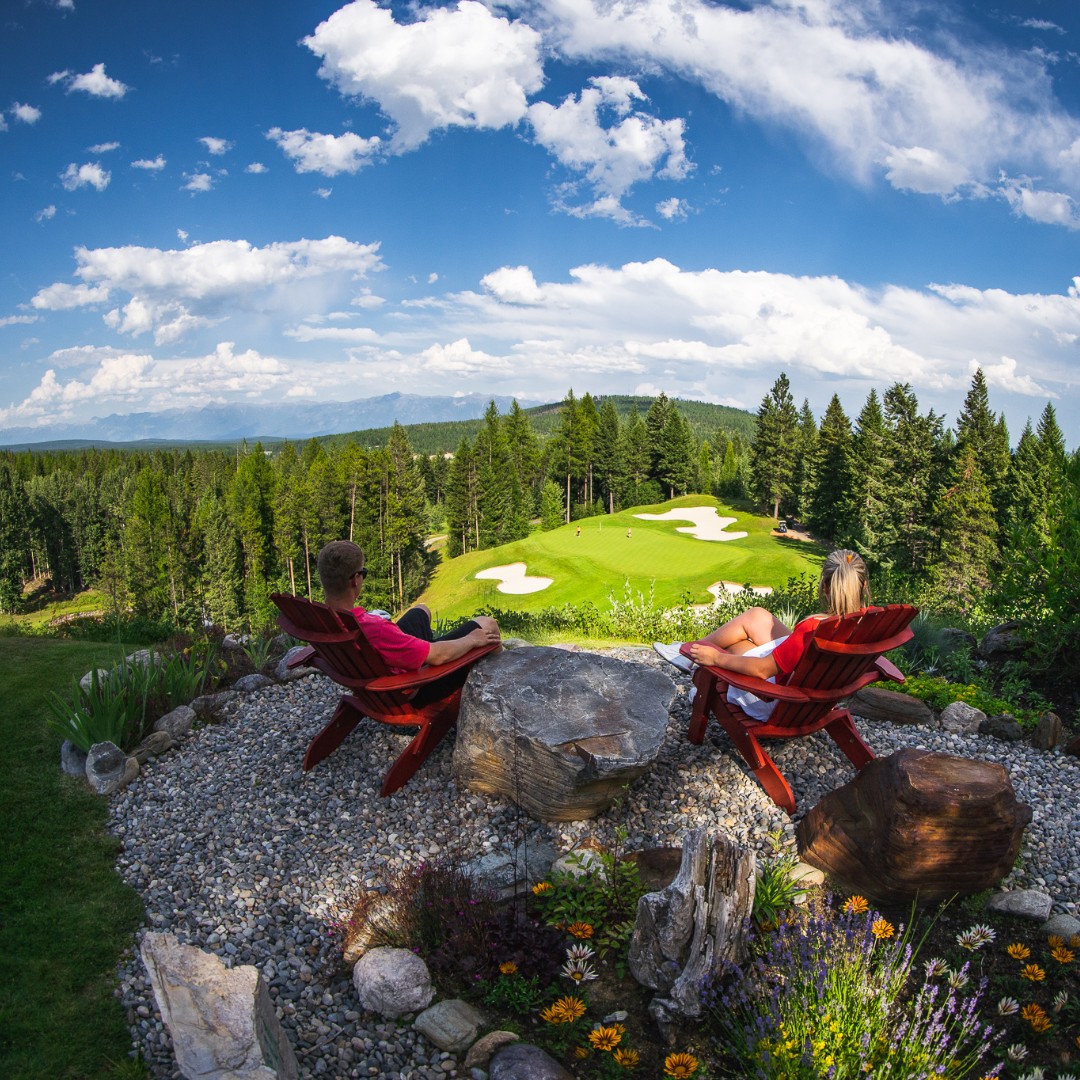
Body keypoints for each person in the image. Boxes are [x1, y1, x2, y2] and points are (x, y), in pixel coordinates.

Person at [653, 549, 871, 720]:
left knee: (732, 647)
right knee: (757, 616)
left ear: (825, 587)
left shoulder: (813, 628)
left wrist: (715, 658)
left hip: (781, 701)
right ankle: (687, 654)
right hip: (814, 692)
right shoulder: (870, 624)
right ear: (863, 585)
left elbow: (761, 670)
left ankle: (697, 672)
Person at [316, 541, 501, 700]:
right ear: (355, 580)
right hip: (409, 689)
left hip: (376, 680)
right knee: (488, 625)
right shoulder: (375, 628)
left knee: (421, 610)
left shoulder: (320, 619)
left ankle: (424, 647)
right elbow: (438, 657)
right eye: (363, 572)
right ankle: (502, 695)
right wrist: (472, 639)